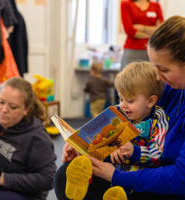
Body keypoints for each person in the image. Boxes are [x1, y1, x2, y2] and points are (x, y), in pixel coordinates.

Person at [55, 13, 185, 200]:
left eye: (163, 69)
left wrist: (116, 176)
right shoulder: (177, 86)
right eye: (154, 66)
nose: (158, 77)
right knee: (66, 175)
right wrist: (85, 146)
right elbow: (130, 110)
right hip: (155, 174)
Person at [63, 61, 169, 200]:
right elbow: (98, 133)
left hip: (135, 173)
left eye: (130, 100)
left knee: (123, 185)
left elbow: (158, 153)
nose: (123, 105)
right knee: (88, 156)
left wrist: (134, 151)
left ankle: (117, 195)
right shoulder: (119, 112)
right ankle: (81, 179)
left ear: (150, 101)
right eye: (120, 98)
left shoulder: (158, 117)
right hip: (111, 164)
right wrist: (79, 143)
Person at [0, 77, 56, 200]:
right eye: (1, 102)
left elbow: (48, 179)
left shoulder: (37, 138)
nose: (4, 110)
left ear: (26, 110)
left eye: (13, 107)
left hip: (20, 193)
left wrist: (4, 179)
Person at [120, 0, 164, 70]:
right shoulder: (126, 4)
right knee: (128, 79)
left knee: (151, 79)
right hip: (133, 50)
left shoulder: (156, 5)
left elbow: (161, 29)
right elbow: (130, 31)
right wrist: (153, 32)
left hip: (153, 50)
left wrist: (142, 28)